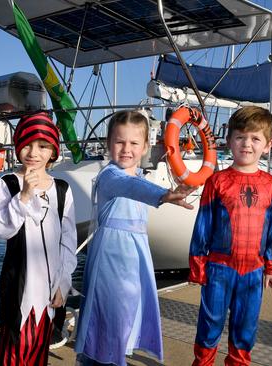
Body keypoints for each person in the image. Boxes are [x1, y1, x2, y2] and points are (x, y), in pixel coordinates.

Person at [74, 110, 195, 366]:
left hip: (134, 258)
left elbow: (137, 184)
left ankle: (112, 356)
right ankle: (97, 360)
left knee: (127, 313)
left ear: (145, 147)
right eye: (119, 142)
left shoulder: (141, 176)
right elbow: (129, 187)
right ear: (108, 144)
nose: (126, 149)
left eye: (133, 143)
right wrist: (163, 195)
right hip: (111, 259)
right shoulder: (109, 176)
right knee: (109, 313)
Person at [189, 106, 272, 366]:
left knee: (245, 329)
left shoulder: (271, 185)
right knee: (209, 326)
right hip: (219, 269)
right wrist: (197, 265)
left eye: (255, 138)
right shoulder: (217, 182)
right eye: (240, 137)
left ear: (268, 145)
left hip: (253, 272)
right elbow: (203, 225)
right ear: (229, 140)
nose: (247, 144)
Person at [0, 112, 77, 365]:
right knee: (14, 349)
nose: (33, 152)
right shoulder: (9, 183)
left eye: (42, 146)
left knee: (40, 351)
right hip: (19, 286)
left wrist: (63, 282)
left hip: (49, 290)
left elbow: (68, 241)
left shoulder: (62, 189)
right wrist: (25, 195)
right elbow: (1, 228)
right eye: (27, 144)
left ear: (53, 151)